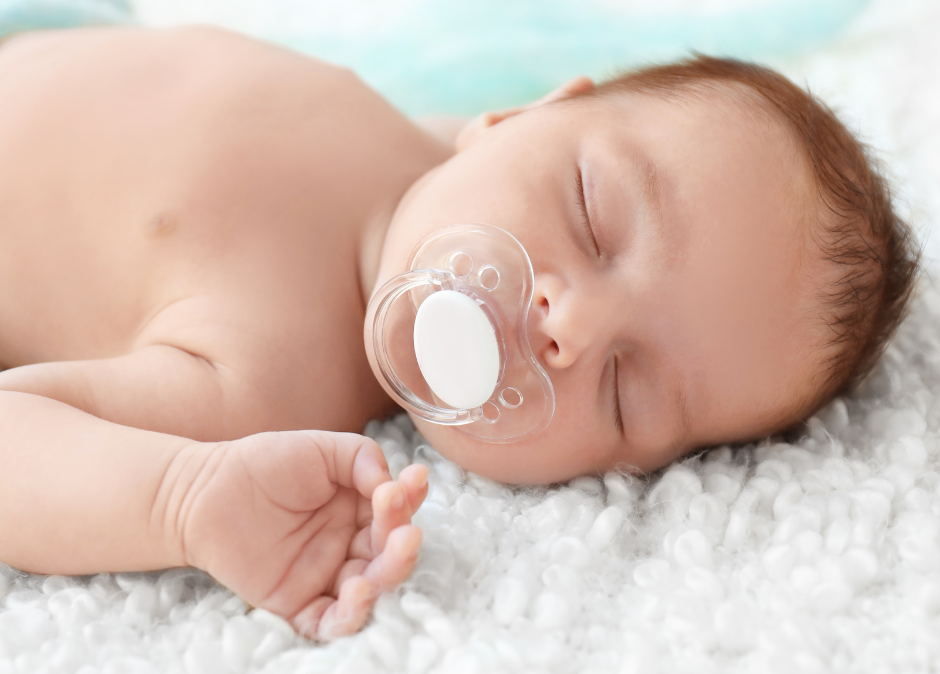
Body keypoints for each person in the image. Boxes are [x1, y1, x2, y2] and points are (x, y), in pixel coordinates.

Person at [0, 25, 918, 639]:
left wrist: (181, 500)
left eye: (625, 391)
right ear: (519, 116)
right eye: (593, 214)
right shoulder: (430, 147)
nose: (573, 327)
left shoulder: (265, 378)